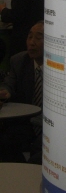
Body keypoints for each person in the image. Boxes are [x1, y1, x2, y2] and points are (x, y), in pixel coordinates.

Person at [0, 21, 44, 162]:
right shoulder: (19, 61)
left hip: (50, 125)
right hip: (27, 123)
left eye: (38, 38)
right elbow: (9, 84)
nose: (31, 43)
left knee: (39, 153)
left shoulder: (60, 66)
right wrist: (5, 92)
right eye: (29, 37)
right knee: (5, 142)